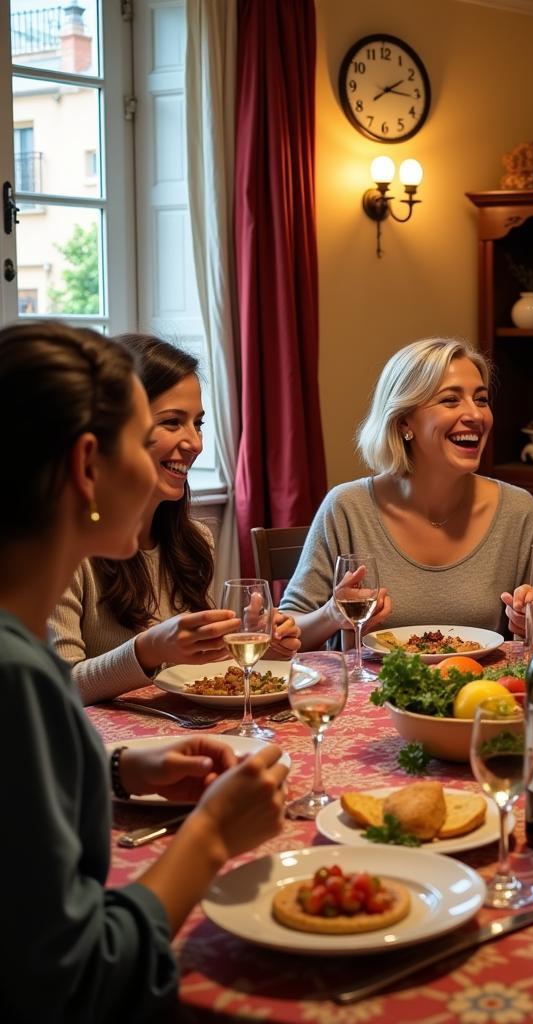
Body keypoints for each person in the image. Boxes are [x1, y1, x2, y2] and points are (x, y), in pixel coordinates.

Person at [0, 321, 287, 1021]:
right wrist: (211, 837)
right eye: (145, 435)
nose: (182, 450)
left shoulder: (21, 648)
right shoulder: (18, 677)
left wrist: (121, 767)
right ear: (88, 464)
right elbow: (73, 984)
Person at [48, 334, 300, 704]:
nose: (195, 443)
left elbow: (194, 672)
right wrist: (145, 650)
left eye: (197, 423)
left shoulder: (194, 539)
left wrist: (259, 644)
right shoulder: (63, 548)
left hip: (177, 735)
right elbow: (57, 688)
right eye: (171, 422)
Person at [281, 337, 533, 647]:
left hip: (480, 693)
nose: (475, 415)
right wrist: (332, 614)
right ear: (403, 421)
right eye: (451, 400)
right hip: (372, 694)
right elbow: (289, 632)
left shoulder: (518, 509)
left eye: (481, 399)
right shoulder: (346, 508)